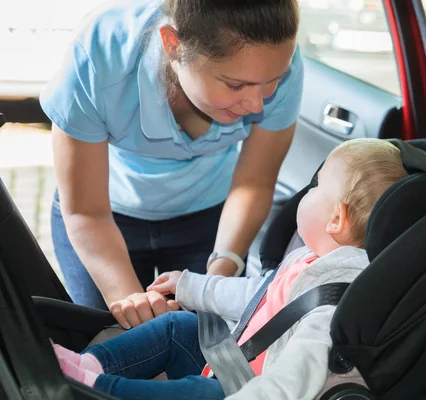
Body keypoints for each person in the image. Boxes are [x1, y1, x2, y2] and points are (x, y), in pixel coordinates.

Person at [52, 138, 409, 400]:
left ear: (336, 218)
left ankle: (92, 389)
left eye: (317, 186)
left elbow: (302, 371)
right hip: (237, 362)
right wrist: (190, 286)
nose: (307, 191)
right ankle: (90, 365)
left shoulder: (338, 297)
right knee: (181, 325)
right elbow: (256, 295)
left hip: (253, 390)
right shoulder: (311, 259)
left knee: (200, 393)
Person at [40, 0, 304, 328]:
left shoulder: (274, 62)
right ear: (172, 44)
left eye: (272, 82)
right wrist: (130, 301)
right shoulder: (98, 55)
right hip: (100, 216)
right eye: (235, 85)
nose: (256, 103)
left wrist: (221, 273)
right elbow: (86, 211)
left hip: (212, 217)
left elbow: (254, 183)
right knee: (108, 340)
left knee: (202, 339)